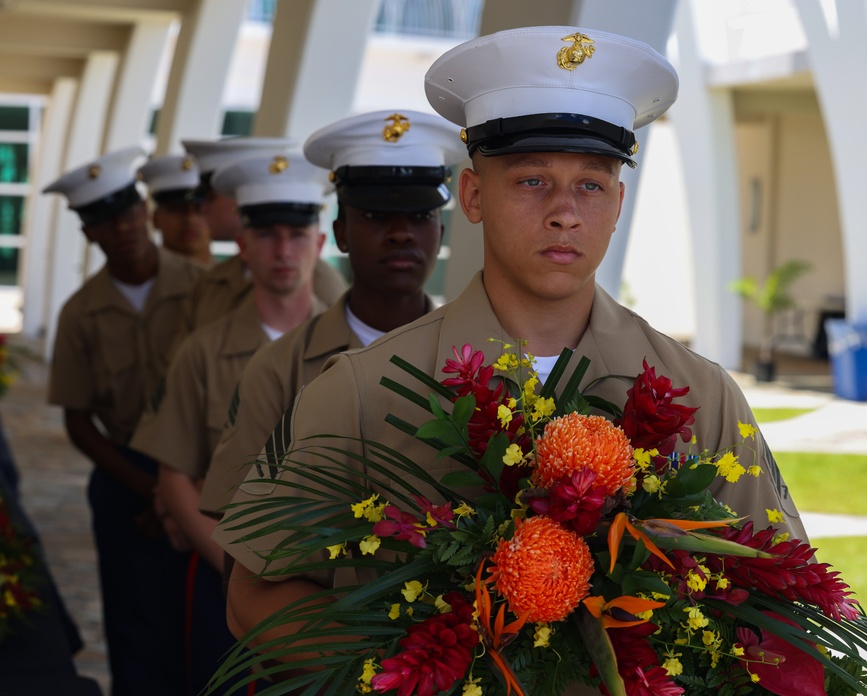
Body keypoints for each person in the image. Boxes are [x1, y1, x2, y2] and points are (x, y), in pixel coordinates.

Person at [214, 26, 806, 693]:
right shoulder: (360, 392)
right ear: (472, 196)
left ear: (616, 205)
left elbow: (778, 596)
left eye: (590, 185)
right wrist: (418, 665)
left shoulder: (702, 394)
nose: (563, 212)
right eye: (530, 181)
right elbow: (255, 596)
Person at [200, 109, 465, 518]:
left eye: (421, 216)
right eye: (376, 216)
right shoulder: (277, 368)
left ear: (441, 233)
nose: (401, 233)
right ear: (340, 233)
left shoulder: (472, 361)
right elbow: (237, 525)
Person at [130, 152, 330, 694]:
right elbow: (174, 475)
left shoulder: (358, 350)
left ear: (320, 243)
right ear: (241, 246)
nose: (283, 251)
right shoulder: (202, 350)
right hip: (222, 570)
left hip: (332, 581)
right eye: (266, 235)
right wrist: (238, 570)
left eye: (297, 233)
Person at [44, 145, 203, 695]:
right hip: (125, 476)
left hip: (199, 469)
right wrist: (148, 489)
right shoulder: (80, 313)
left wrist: (177, 491)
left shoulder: (202, 286)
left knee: (197, 616)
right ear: (90, 234)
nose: (124, 226)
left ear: (145, 211)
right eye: (106, 220)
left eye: (129, 210)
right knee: (133, 617)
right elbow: (79, 421)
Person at [177, 137, 348, 335]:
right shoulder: (211, 282)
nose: (202, 209)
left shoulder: (321, 283)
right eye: (267, 235)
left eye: (210, 197)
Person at [138, 154, 213, 267]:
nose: (190, 219)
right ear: (155, 218)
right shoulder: (138, 283)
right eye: (178, 209)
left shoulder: (240, 281)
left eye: (200, 210)